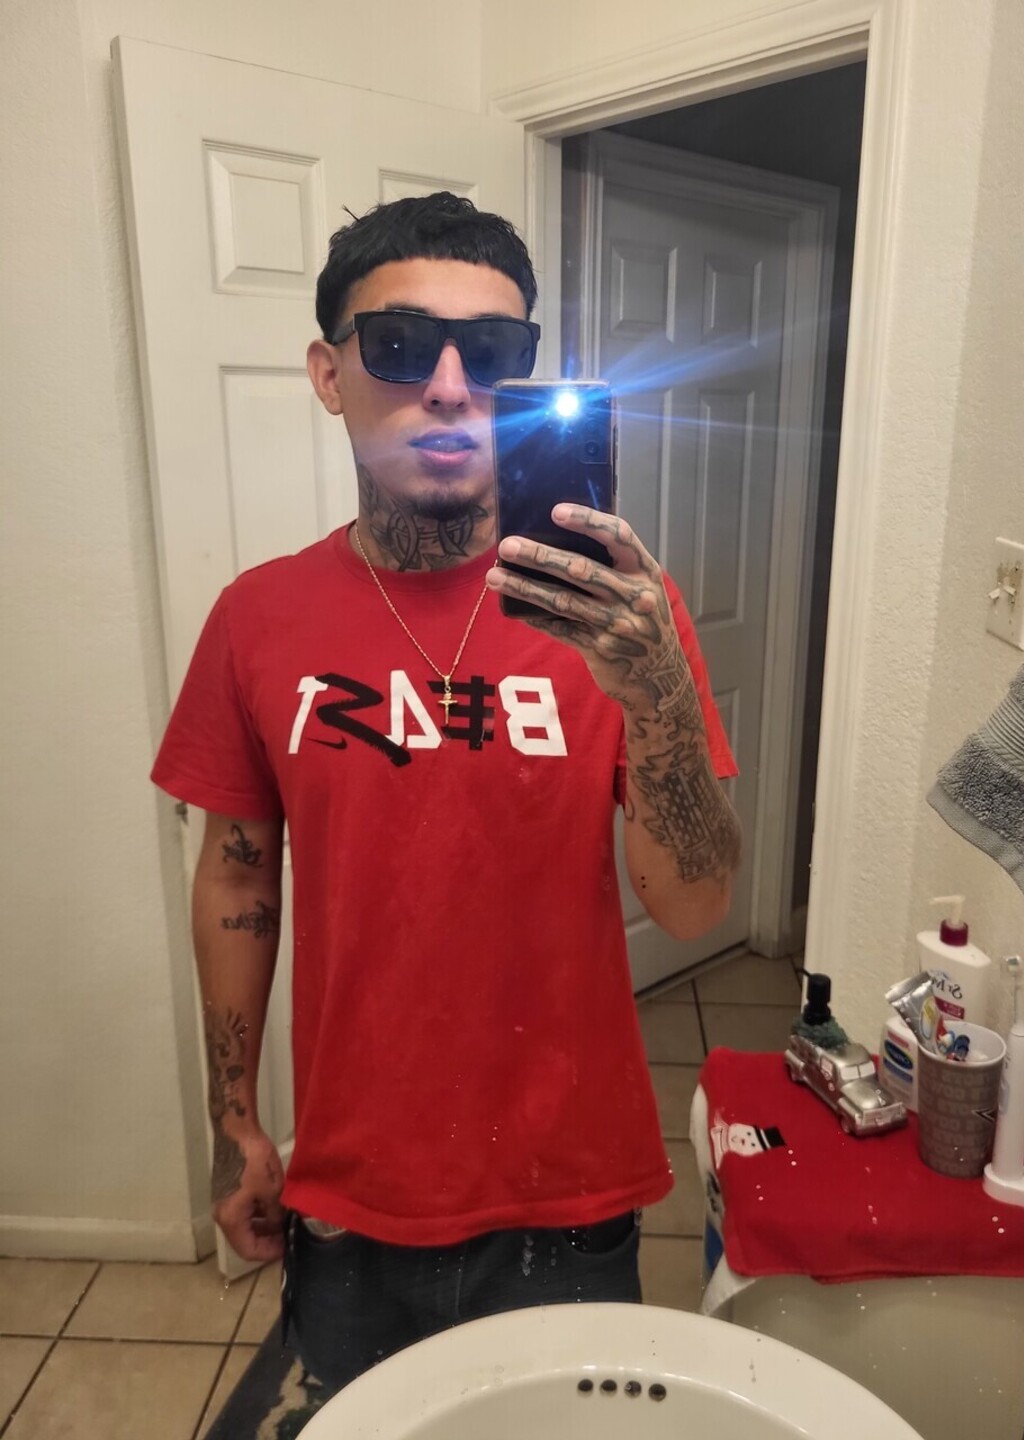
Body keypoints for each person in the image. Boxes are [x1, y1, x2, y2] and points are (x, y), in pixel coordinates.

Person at [152, 192, 741, 1397]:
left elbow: (692, 908)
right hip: (350, 1194)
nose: (453, 386)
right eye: (403, 344)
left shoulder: (620, 617)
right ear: (330, 374)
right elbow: (237, 872)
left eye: (496, 352)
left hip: (568, 1197)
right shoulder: (258, 617)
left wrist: (659, 699)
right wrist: (233, 1119)